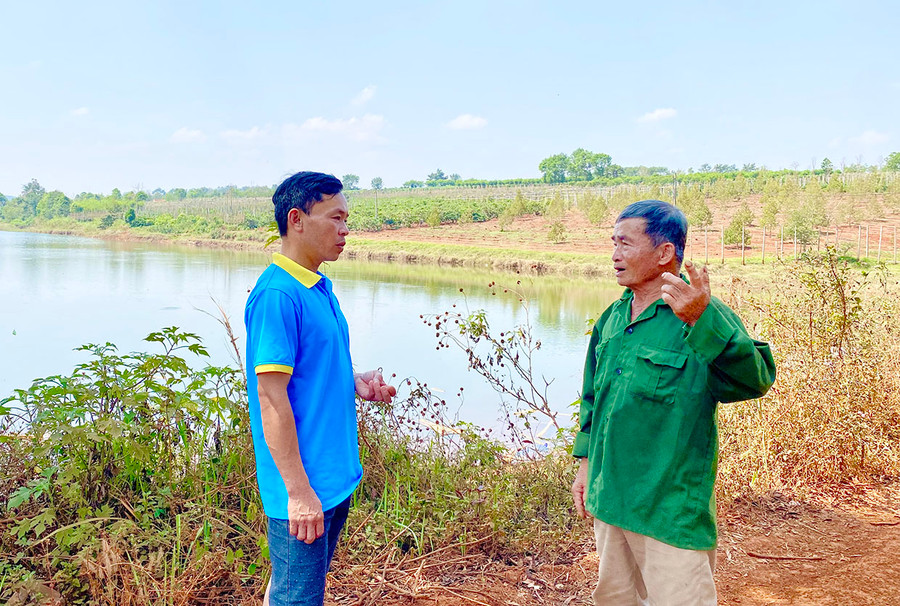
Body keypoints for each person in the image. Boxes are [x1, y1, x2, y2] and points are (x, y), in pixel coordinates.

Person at [571, 200, 776, 605]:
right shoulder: (613, 318)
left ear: (665, 253)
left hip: (668, 509)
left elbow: (755, 380)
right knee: (615, 599)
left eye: (626, 243)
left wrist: (702, 321)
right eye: (613, 242)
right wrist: (584, 464)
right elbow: (593, 400)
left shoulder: (699, 313)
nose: (614, 254)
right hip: (610, 499)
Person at [244, 171, 396, 606]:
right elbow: (270, 398)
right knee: (297, 599)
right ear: (297, 219)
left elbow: (311, 370)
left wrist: (356, 382)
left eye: (347, 219)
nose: (346, 230)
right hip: (304, 489)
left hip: (332, 481)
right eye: (336, 218)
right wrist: (298, 492)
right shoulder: (279, 295)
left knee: (295, 593)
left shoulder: (317, 286)